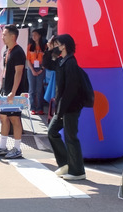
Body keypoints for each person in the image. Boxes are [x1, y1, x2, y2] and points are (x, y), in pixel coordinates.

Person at [44, 34, 87, 181]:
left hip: (70, 107)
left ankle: (77, 171)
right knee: (52, 132)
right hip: (63, 107)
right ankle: (65, 164)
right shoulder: (62, 61)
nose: (56, 46)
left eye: (57, 44)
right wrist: (49, 49)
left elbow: (70, 89)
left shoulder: (70, 63)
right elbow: (47, 64)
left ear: (64, 46)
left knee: (71, 137)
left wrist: (61, 110)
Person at [0, 24, 27, 159]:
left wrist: (13, 92)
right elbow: (5, 73)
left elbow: (19, 72)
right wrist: (1, 90)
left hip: (14, 91)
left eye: (4, 35)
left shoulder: (18, 52)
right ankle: (2, 147)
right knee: (3, 117)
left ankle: (17, 148)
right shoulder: (6, 51)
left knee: (15, 118)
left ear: (13, 36)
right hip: (6, 89)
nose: (2, 37)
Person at [26, 29, 47, 115]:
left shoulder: (44, 46)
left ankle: (40, 108)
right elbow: (28, 60)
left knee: (39, 89)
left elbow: (46, 59)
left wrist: (41, 69)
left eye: (35, 34)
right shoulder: (30, 46)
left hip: (41, 67)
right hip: (31, 67)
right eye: (32, 35)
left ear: (39, 35)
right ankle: (32, 108)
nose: (33, 36)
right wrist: (32, 70)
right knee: (32, 89)